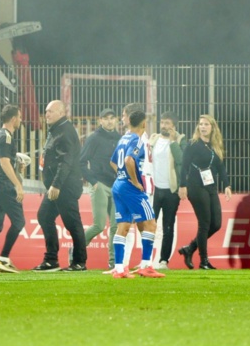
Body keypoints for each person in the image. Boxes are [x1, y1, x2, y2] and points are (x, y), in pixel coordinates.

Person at [110, 110, 165, 279]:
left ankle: (119, 269)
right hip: (130, 188)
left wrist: (122, 175)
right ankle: (146, 266)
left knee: (123, 226)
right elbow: (128, 160)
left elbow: (113, 162)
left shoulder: (123, 138)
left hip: (118, 185)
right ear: (143, 123)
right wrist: (134, 180)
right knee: (151, 225)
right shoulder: (138, 139)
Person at [33, 100, 87, 272]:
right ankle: (51, 260)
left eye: (51, 111)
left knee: (72, 223)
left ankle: (79, 262)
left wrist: (56, 184)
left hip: (64, 186)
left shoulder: (65, 131)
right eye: (46, 111)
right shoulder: (57, 129)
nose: (46, 114)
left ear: (61, 113)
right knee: (44, 216)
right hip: (57, 186)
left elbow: (66, 161)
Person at [178, 114, 233, 270]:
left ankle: (189, 249)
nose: (202, 127)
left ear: (212, 127)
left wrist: (227, 185)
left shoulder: (216, 145)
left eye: (206, 124)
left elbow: (221, 167)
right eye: (200, 124)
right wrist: (182, 185)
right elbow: (184, 166)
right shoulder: (193, 144)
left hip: (210, 186)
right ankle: (204, 261)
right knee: (204, 223)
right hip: (195, 186)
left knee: (216, 224)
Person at [0, 105, 26, 274]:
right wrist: (18, 184)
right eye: (20, 117)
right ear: (14, 118)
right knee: (19, 221)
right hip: (2, 185)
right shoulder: (6, 137)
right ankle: (3, 258)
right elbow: (4, 162)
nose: (21, 120)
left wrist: (16, 166)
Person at [79, 108, 120, 270]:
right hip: (100, 185)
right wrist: (93, 181)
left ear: (116, 120)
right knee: (99, 226)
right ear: (100, 121)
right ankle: (76, 251)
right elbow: (81, 162)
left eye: (112, 118)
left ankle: (113, 263)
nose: (109, 121)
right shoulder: (94, 138)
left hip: (117, 186)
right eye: (106, 118)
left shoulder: (120, 138)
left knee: (116, 227)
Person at [148, 111, 187, 270]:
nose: (164, 126)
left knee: (168, 226)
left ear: (174, 126)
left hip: (171, 190)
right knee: (149, 225)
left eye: (167, 123)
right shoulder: (154, 139)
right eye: (162, 122)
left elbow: (182, 161)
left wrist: (173, 142)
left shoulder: (180, 140)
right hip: (155, 190)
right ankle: (147, 259)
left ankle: (163, 261)